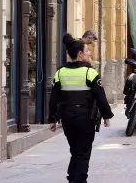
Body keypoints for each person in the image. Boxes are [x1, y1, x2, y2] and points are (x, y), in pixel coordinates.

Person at [48, 34, 114, 183]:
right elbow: (101, 97)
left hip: (67, 118)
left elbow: (54, 98)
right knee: (83, 153)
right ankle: (79, 180)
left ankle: (72, 178)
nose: (89, 53)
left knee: (75, 151)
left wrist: (52, 119)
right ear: (80, 54)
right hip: (85, 118)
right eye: (87, 51)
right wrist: (106, 116)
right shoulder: (89, 72)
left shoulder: (60, 72)